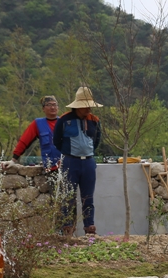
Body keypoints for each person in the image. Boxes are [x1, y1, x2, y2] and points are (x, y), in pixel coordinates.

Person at [55, 86, 103, 236]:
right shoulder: (64, 120)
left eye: (89, 106)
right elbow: (57, 140)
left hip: (88, 162)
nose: (88, 109)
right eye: (85, 106)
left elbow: (97, 141)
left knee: (88, 197)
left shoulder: (94, 121)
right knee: (68, 196)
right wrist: (68, 153)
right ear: (78, 107)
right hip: (71, 161)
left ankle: (89, 227)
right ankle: (67, 227)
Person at [11, 96, 63, 168]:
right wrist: (13, 160)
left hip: (67, 166)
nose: (52, 107)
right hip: (50, 168)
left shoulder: (65, 122)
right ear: (43, 109)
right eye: (49, 105)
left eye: (54, 105)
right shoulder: (37, 124)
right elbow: (24, 141)